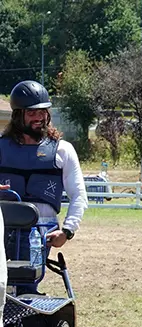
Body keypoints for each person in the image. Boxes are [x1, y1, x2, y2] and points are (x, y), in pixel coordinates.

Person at [0, 80, 87, 256]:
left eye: (42, 111)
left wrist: (67, 231)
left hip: (40, 232)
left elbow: (79, 195)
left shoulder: (63, 150)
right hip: (3, 228)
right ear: (18, 116)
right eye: (32, 112)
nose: (39, 117)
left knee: (29, 274)